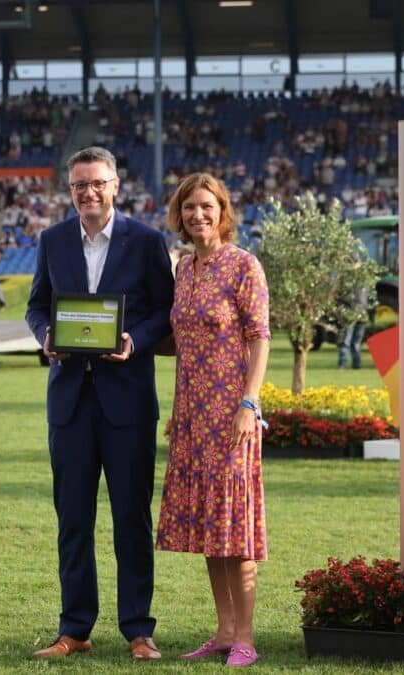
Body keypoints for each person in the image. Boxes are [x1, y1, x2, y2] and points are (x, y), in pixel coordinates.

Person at [25, 146, 174, 660]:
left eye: (97, 183)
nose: (88, 192)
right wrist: (45, 335)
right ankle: (75, 629)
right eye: (78, 185)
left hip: (127, 402)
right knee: (73, 520)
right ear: (70, 191)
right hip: (69, 401)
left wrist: (134, 339)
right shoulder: (52, 240)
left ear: (116, 185)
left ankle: (138, 629)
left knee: (131, 518)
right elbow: (37, 306)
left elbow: (163, 312)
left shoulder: (148, 242)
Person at [156, 173, 271, 667]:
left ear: (222, 211)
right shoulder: (183, 268)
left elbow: (260, 337)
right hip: (192, 416)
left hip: (232, 415)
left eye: (206, 206)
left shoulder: (245, 266)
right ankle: (223, 632)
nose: (197, 215)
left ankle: (245, 636)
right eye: (188, 208)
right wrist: (178, 411)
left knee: (236, 527)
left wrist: (250, 402)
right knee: (211, 528)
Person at [338, 284, 370, 370]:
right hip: (360, 315)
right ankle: (355, 364)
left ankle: (344, 364)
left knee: (347, 341)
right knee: (354, 342)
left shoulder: (349, 284)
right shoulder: (365, 284)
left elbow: (341, 299)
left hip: (352, 315)